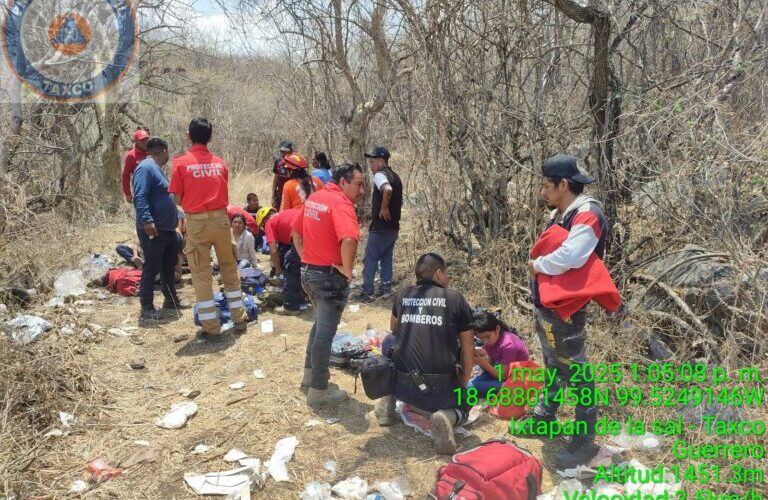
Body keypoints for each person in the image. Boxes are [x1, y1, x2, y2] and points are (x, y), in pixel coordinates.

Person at [526, 153, 607, 468]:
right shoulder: (561, 212)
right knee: (551, 363)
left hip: (567, 309)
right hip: (547, 305)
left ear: (563, 184)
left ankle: (584, 440)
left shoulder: (588, 214)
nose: (543, 192)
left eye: (547, 186)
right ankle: (545, 416)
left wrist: (537, 265)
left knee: (577, 373)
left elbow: (571, 256)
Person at [374, 253, 475, 455]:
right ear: (438, 273)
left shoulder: (403, 294)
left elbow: (394, 329)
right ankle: (447, 417)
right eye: (446, 274)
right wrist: (463, 383)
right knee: (467, 403)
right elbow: (468, 347)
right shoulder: (454, 298)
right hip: (440, 393)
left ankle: (388, 401)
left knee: (388, 342)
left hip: (404, 386)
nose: (448, 279)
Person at [168, 118, 248, 341]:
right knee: (229, 269)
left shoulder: (181, 163)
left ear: (188, 136)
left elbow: (176, 198)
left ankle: (211, 328)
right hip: (222, 221)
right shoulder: (220, 163)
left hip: (197, 223)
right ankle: (240, 319)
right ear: (210, 137)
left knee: (202, 275)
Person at [292, 163, 365, 406]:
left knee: (318, 327)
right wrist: (346, 270)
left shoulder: (316, 197)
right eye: (359, 184)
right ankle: (319, 390)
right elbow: (349, 239)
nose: (362, 190)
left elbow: (296, 231)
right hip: (327, 278)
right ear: (343, 182)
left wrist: (306, 258)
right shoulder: (341, 203)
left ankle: (309, 376)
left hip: (309, 273)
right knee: (325, 333)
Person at [132, 137, 186, 322]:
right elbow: (140, 195)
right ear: (163, 151)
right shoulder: (145, 168)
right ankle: (146, 306)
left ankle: (170, 299)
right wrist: (147, 220)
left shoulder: (158, 170)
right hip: (154, 228)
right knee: (152, 265)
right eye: (168, 152)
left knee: (168, 263)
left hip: (167, 228)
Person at [356, 146, 403, 301]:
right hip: (393, 227)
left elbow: (387, 190)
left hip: (380, 227)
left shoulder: (379, 175)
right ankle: (385, 290)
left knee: (370, 258)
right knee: (386, 258)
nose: (371, 165)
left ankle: (367, 291)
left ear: (381, 161)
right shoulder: (396, 176)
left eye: (373, 161)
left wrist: (383, 207)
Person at [467, 310, 529, 397]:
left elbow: (504, 376)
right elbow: (491, 365)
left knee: (468, 387)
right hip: (499, 375)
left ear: (497, 329)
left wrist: (484, 363)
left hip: (514, 379)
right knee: (466, 385)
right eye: (481, 338)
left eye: (487, 336)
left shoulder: (508, 345)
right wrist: (480, 358)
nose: (485, 341)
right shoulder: (491, 341)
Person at [256, 207, 305, 315]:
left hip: (302, 234)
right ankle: (303, 295)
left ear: (263, 222)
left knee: (290, 263)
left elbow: (273, 250)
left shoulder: (269, 222)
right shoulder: (283, 216)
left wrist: (278, 270)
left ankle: (291, 306)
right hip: (314, 229)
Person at [121, 128, 150, 203]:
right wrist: (127, 193)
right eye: (142, 140)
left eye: (147, 139)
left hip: (156, 190)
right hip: (141, 190)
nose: (145, 142)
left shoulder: (153, 152)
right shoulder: (131, 155)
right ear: (136, 141)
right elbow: (125, 175)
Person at [272, 141, 293, 210]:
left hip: (291, 193)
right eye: (282, 151)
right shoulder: (278, 162)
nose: (283, 154)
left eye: (285, 152)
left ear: (290, 152)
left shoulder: (294, 162)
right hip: (280, 193)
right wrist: (273, 196)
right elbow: (275, 179)